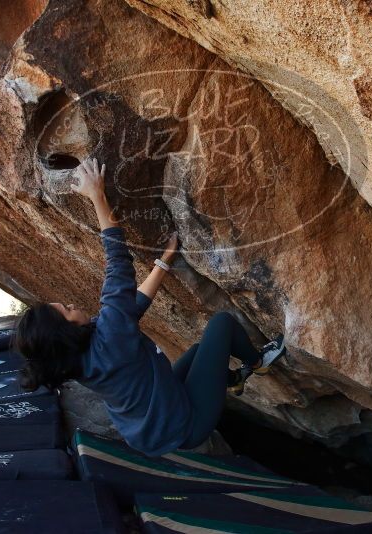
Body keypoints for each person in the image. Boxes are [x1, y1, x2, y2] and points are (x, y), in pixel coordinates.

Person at [16, 158, 286, 456]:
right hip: (186, 427)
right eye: (67, 309)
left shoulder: (77, 358)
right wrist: (97, 196)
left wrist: (164, 261)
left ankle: (232, 381)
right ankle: (259, 363)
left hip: (155, 429)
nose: (73, 304)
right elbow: (117, 263)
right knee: (222, 324)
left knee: (199, 352)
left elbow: (132, 309)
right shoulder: (108, 339)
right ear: (67, 330)